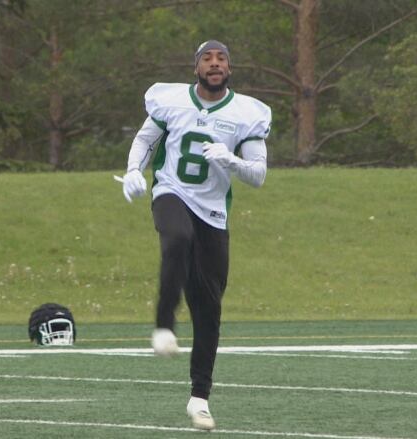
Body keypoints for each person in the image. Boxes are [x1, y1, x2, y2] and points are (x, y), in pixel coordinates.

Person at [119, 39, 271, 431]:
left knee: (210, 308)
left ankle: (199, 398)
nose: (215, 63)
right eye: (208, 58)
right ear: (196, 67)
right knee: (176, 239)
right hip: (171, 191)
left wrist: (231, 159)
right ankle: (164, 325)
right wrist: (135, 169)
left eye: (221, 59)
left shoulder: (245, 113)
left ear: (230, 69)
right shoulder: (170, 100)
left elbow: (257, 176)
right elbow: (145, 139)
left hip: (214, 213)